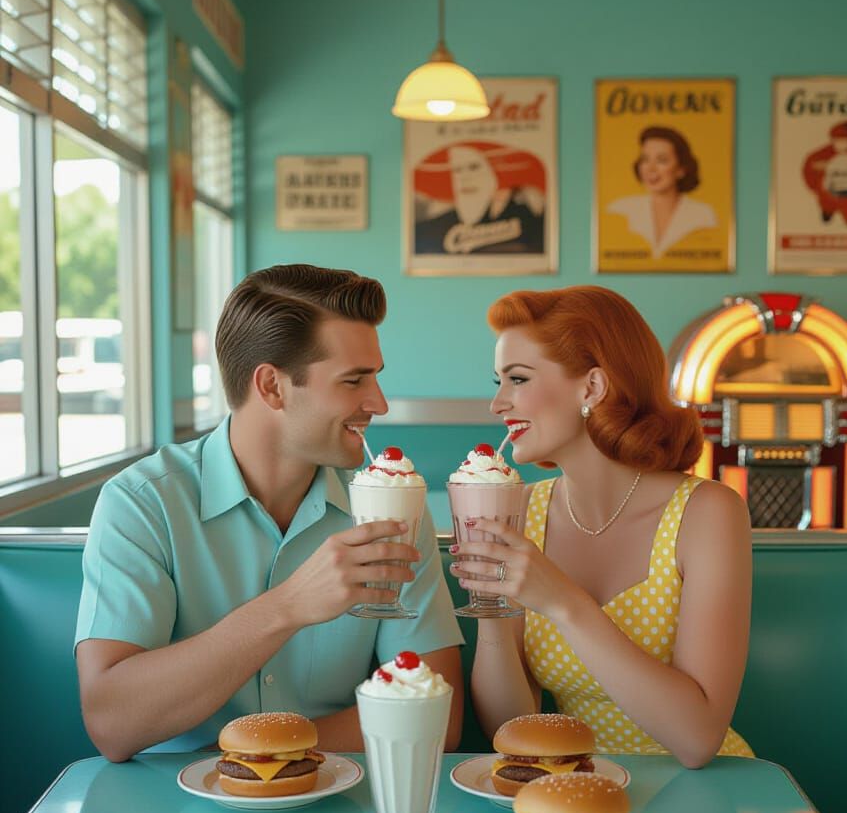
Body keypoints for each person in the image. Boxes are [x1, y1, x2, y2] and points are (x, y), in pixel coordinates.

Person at [75, 263, 463, 762]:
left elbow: (438, 717)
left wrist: (255, 753)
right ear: (273, 387)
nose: (379, 403)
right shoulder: (143, 503)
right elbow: (111, 723)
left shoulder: (390, 503)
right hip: (171, 807)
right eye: (354, 381)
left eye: (375, 378)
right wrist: (288, 607)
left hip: (341, 801)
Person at [452, 286, 753, 768]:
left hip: (697, 785)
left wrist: (563, 602)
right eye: (499, 382)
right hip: (572, 786)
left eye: (518, 379)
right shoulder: (522, 507)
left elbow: (697, 740)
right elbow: (510, 726)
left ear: (591, 387)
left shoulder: (708, 513)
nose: (498, 404)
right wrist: (492, 606)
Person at [414, 141, 545, 256]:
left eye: (474, 167)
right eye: (457, 170)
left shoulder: (529, 216)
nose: (464, 178)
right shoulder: (430, 227)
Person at [607, 126, 717, 257]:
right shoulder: (619, 210)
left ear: (681, 169)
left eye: (662, 160)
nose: (650, 168)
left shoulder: (703, 214)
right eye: (645, 159)